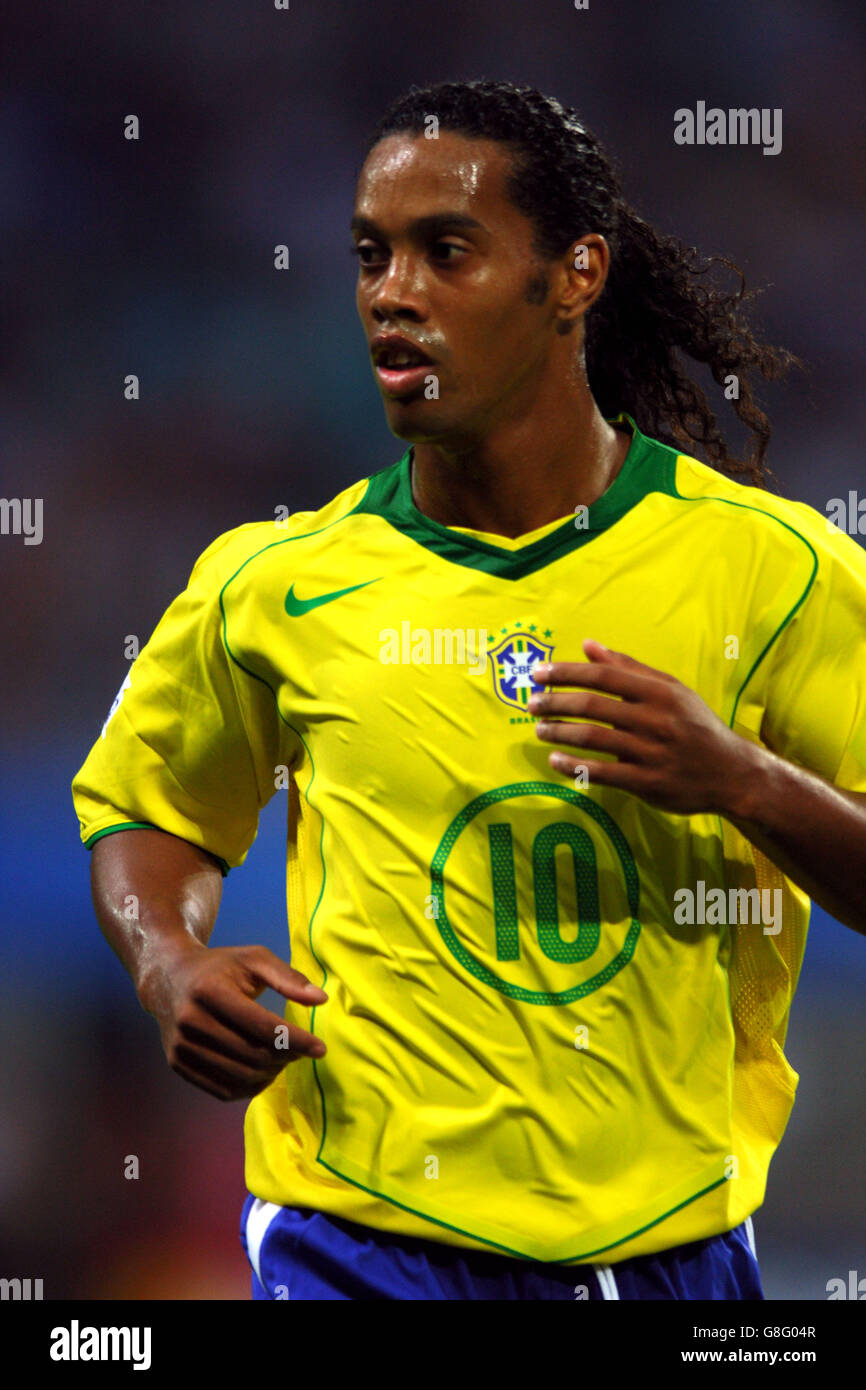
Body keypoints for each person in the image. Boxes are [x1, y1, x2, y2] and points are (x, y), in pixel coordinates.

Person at [72, 79, 866, 1301]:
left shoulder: (775, 573)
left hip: (662, 1246)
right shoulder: (277, 582)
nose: (393, 293)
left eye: (446, 252)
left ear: (573, 275)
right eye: (371, 256)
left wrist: (743, 780)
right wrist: (167, 959)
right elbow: (153, 804)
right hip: (354, 1241)